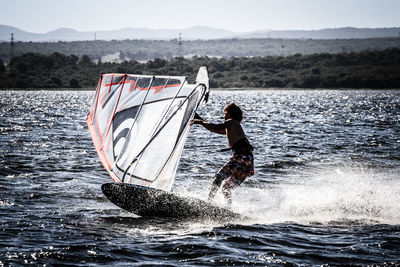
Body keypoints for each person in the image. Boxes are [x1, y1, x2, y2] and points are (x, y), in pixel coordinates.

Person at [190, 102, 254, 205]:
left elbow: (215, 127)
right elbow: (214, 129)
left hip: (241, 158)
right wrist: (200, 120)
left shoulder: (231, 122)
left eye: (225, 114)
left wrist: (201, 122)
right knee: (226, 188)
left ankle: (209, 202)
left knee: (218, 177)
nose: (224, 116)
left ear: (229, 114)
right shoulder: (233, 126)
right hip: (248, 162)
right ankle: (229, 209)